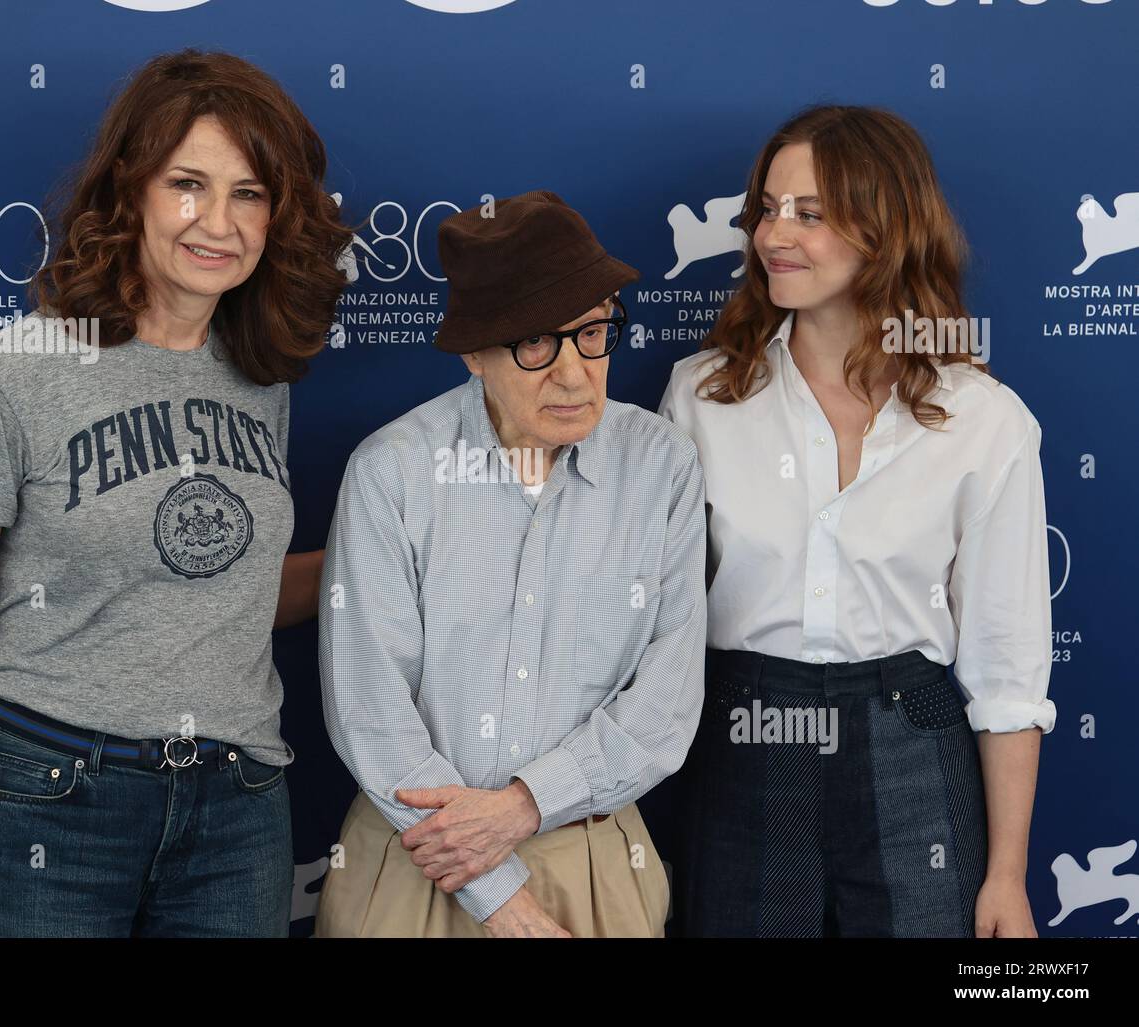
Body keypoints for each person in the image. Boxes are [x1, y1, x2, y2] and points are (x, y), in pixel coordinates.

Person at [0, 49, 350, 938]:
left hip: (238, 807)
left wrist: (387, 565)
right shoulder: (14, 371)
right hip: (51, 798)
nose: (219, 221)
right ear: (129, 189)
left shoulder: (261, 377)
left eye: (249, 192)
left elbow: (229, 590)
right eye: (188, 184)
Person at [659, 105, 1055, 938]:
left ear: (886, 228)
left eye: (810, 213)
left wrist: (1008, 874)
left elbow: (1007, 665)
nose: (775, 233)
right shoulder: (701, 398)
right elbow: (656, 625)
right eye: (767, 208)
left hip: (912, 746)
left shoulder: (985, 419)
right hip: (744, 742)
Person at [314, 191, 707, 938]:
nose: (573, 373)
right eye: (536, 343)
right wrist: (500, 895)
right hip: (415, 857)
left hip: (593, 860)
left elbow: (666, 701)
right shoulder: (393, 471)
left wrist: (526, 804)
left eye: (593, 333)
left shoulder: (663, 466)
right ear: (473, 352)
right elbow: (370, 708)